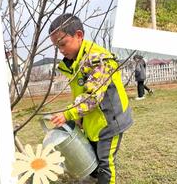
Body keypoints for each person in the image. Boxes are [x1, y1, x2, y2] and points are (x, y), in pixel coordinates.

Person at [48, 14, 133, 184]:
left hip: (110, 122)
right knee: (91, 157)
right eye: (57, 47)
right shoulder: (75, 63)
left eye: (63, 44)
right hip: (92, 121)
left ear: (79, 35)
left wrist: (69, 114)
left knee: (105, 163)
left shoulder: (99, 60)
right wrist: (79, 118)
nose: (61, 50)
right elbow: (80, 92)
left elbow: (92, 97)